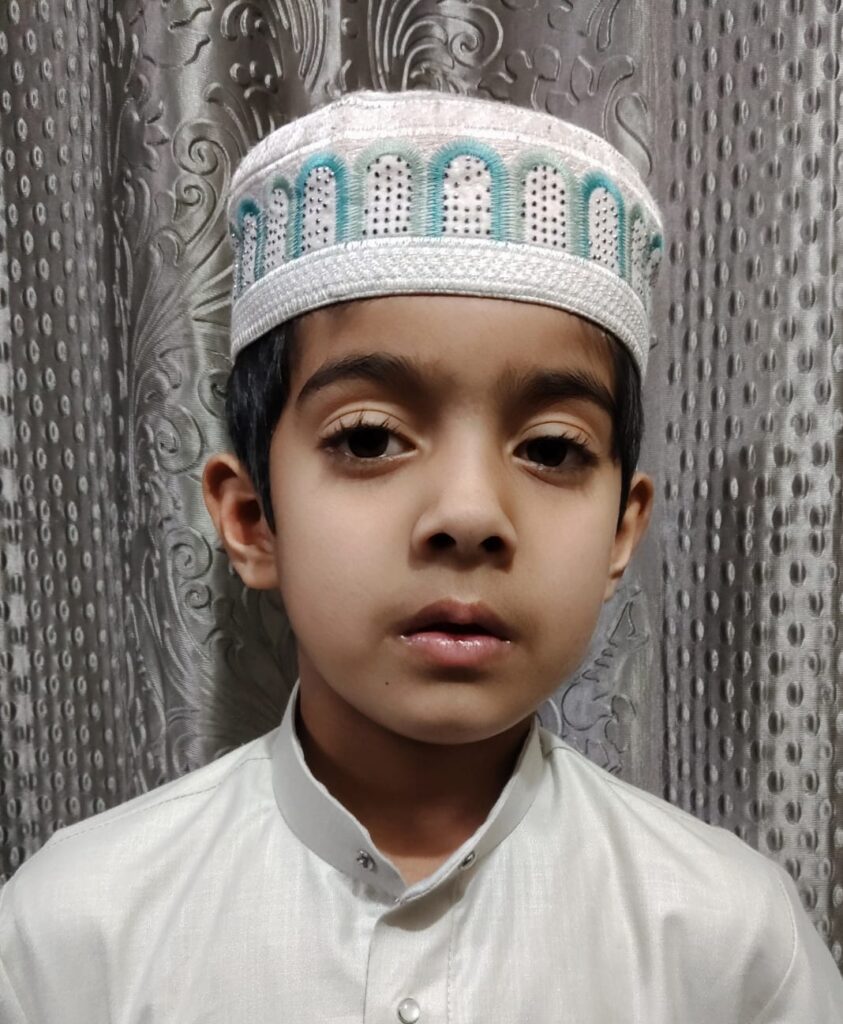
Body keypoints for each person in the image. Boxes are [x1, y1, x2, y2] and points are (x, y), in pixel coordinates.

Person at [1, 90, 841, 1023]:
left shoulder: (732, 947)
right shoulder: (70, 938)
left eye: (551, 448)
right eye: (368, 439)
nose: (470, 515)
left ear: (620, 533)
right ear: (251, 519)